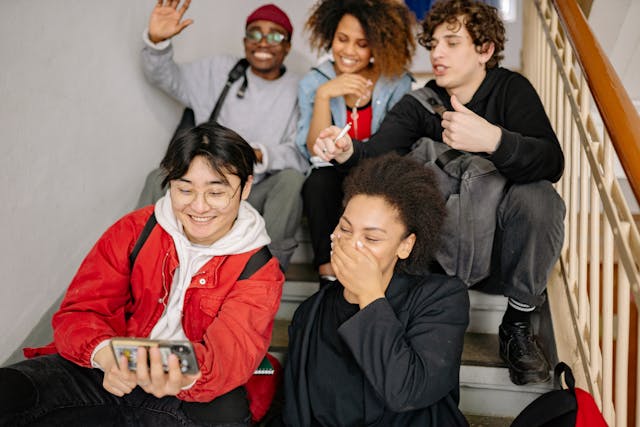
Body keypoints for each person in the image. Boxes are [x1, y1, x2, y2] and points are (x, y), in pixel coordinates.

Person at [313, 0, 566, 386]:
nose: (437, 54)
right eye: (432, 44)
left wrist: (494, 140)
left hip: (500, 255)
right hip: (437, 262)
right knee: (401, 180)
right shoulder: (421, 103)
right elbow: (376, 150)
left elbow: (552, 162)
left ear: (483, 50)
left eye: (451, 42)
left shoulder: (511, 90)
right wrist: (345, 149)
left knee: (538, 195)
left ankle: (517, 321)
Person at [0, 122, 285, 426]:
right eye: (185, 189)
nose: (199, 207)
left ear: (246, 187)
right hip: (111, 368)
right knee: (9, 390)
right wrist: (105, 353)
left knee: (227, 414)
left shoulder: (258, 269)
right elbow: (80, 312)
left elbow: (229, 359)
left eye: (216, 192)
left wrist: (170, 369)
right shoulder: (134, 230)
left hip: (188, 388)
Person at [281, 153, 469, 426]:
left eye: (371, 238)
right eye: (345, 229)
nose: (352, 245)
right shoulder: (310, 314)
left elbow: (406, 391)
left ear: (405, 245)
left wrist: (369, 296)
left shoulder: (441, 299)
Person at [138, 0, 308, 270]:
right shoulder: (218, 71)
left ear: (287, 45)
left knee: (292, 180)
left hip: (255, 189)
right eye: (255, 33)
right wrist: (157, 42)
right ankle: (141, 260)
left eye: (275, 35)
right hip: (204, 186)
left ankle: (266, 272)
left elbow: (302, 154)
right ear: (244, 41)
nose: (263, 42)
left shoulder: (300, 89)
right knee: (158, 178)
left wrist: (260, 154)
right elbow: (167, 78)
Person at [296, 0, 415, 286]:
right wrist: (325, 94)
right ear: (330, 37)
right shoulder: (315, 82)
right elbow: (315, 149)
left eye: (362, 44)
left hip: (378, 171)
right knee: (318, 181)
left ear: (378, 46)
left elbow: (395, 145)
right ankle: (328, 276)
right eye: (342, 39)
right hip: (331, 172)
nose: (348, 51)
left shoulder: (396, 82)